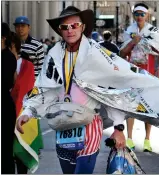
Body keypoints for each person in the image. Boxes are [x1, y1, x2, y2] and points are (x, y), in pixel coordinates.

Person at [16, 6, 126, 174]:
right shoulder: (53, 55)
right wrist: (29, 111)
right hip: (63, 125)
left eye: (74, 25)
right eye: (65, 27)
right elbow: (44, 88)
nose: (70, 30)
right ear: (60, 30)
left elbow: (109, 91)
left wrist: (118, 128)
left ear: (83, 27)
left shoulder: (96, 54)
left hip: (89, 123)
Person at [120, 2, 159, 152]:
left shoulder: (153, 31)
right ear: (133, 15)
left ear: (147, 15)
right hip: (132, 72)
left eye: (142, 14)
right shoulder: (129, 31)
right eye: (137, 14)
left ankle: (147, 140)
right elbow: (122, 53)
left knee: (148, 107)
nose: (139, 16)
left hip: (149, 72)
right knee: (130, 106)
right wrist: (133, 42)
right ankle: (130, 138)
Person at [9, 32, 35, 174]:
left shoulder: (26, 65)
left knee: (21, 154)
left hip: (20, 113)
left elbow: (28, 90)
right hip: (8, 112)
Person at [1, 22, 17, 174]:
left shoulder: (8, 57)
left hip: (4, 107)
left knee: (4, 149)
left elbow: (7, 81)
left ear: (3, 38)